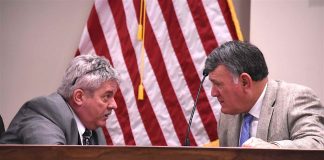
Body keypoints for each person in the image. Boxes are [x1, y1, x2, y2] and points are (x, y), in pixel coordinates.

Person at [204, 41, 324, 149]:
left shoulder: (295, 99)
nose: (213, 93)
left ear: (245, 82)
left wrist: (274, 149)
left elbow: (317, 143)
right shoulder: (228, 114)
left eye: (218, 84)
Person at [0, 54, 120, 145]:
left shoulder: (92, 128)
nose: (114, 105)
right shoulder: (43, 115)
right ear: (79, 97)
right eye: (106, 97)